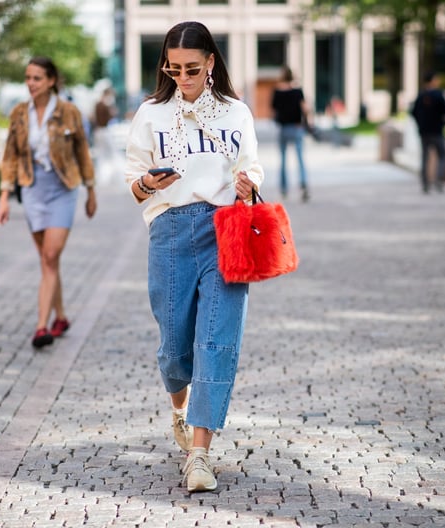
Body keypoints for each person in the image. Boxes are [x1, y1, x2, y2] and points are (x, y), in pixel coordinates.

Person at [124, 21, 264, 493]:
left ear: (210, 63)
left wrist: (248, 185)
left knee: (216, 344)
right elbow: (133, 178)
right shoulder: (151, 114)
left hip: (225, 229)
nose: (182, 78)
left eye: (191, 68)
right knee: (174, 350)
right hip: (169, 229)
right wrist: (149, 183)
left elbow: (251, 165)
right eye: (174, 68)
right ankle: (179, 410)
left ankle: (200, 456)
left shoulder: (234, 112)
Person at [0, 56, 97, 349]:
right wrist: (4, 197)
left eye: (37, 78)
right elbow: (10, 156)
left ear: (51, 80)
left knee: (50, 256)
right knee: (47, 259)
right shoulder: (18, 113)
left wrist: (91, 191)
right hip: (32, 188)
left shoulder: (69, 113)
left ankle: (41, 327)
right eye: (28, 78)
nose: (31, 83)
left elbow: (82, 153)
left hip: (63, 187)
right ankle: (61, 316)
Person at [271, 65, 310, 201]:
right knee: (300, 158)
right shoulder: (298, 91)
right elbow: (305, 109)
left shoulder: (277, 91)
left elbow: (274, 110)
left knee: (283, 160)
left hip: (283, 128)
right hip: (297, 127)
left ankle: (284, 189)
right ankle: (303, 185)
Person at [412, 71, 445, 193]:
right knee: (442, 155)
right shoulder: (439, 95)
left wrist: (420, 124)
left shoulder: (421, 95)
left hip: (424, 132)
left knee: (425, 158)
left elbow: (413, 112)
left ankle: (425, 183)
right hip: (437, 131)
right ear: (432, 80)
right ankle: (438, 179)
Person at [93, 86, 119, 185]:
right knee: (110, 154)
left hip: (98, 131)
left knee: (102, 154)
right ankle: (108, 176)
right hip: (104, 131)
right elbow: (107, 118)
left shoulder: (97, 104)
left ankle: (104, 176)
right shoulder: (104, 105)